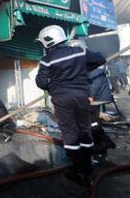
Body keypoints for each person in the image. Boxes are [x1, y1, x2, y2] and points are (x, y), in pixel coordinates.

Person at [35, 25, 105, 186]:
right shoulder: (79, 51)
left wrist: (54, 87)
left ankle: (77, 170)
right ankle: (88, 168)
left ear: (47, 42)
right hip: (81, 97)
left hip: (61, 99)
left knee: (69, 133)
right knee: (84, 130)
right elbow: (100, 59)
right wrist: (82, 70)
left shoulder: (47, 60)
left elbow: (41, 82)